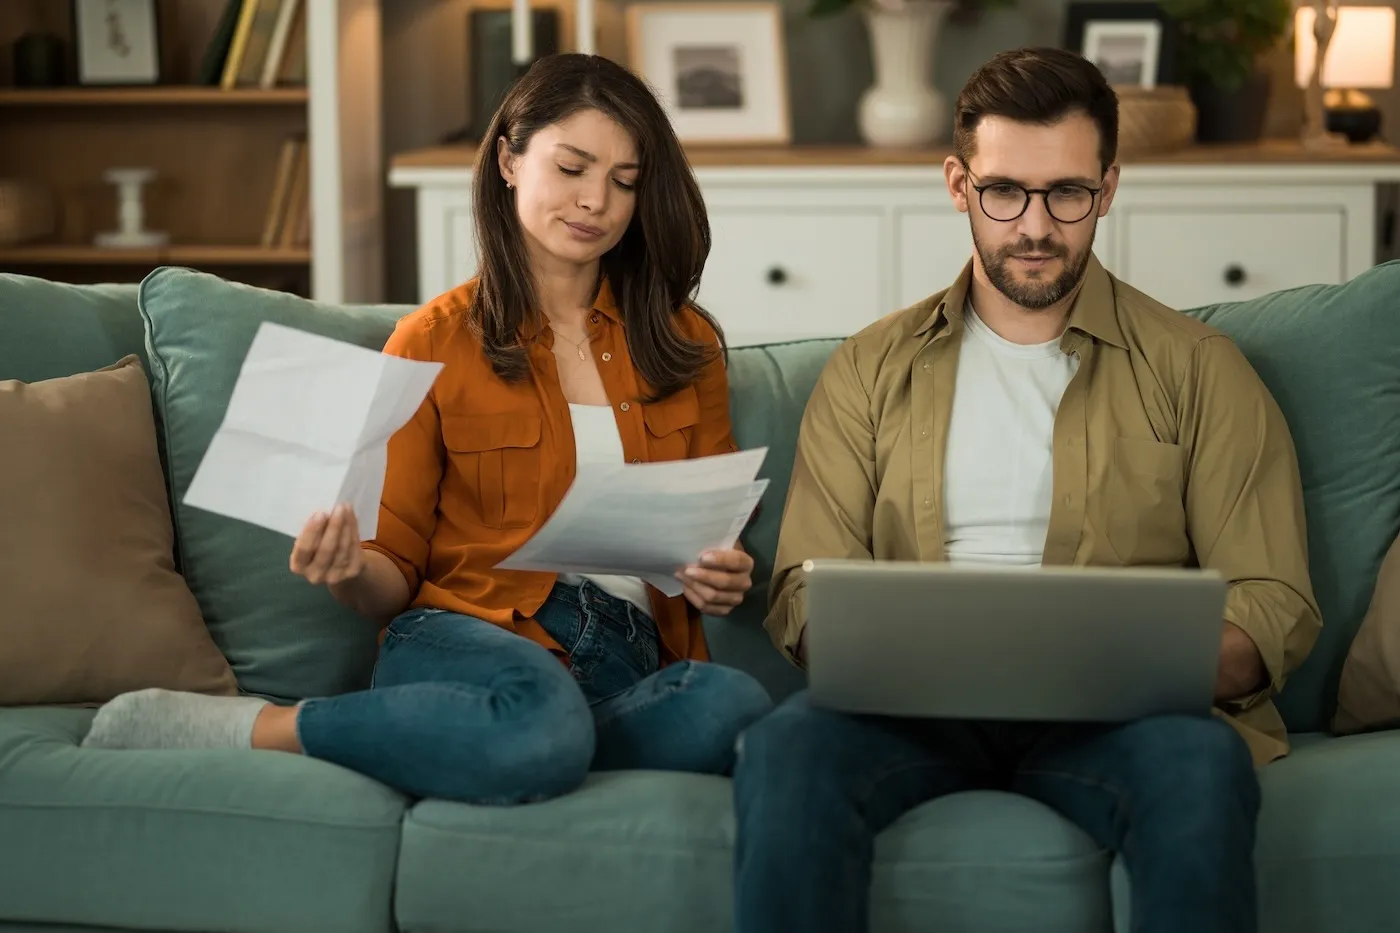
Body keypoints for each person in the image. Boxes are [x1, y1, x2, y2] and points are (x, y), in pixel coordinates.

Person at [732, 47, 1321, 933]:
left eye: (1068, 194)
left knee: (1203, 765)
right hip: (911, 714)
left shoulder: (1201, 372)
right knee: (787, 750)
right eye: (1005, 191)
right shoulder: (867, 369)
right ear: (958, 185)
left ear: (1110, 188)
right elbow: (804, 589)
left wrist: (1136, 662)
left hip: (1119, 723)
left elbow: (1273, 601)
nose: (1035, 226)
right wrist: (859, 641)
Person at [80, 53, 774, 805]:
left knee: (730, 705)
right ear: (509, 160)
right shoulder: (433, 340)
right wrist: (347, 566)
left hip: (629, 656)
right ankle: (271, 726)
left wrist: (721, 570)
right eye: (572, 167)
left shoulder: (684, 339)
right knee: (541, 718)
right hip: (471, 635)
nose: (595, 201)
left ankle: (508, 742)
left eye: (624, 181)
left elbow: (715, 528)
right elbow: (389, 578)